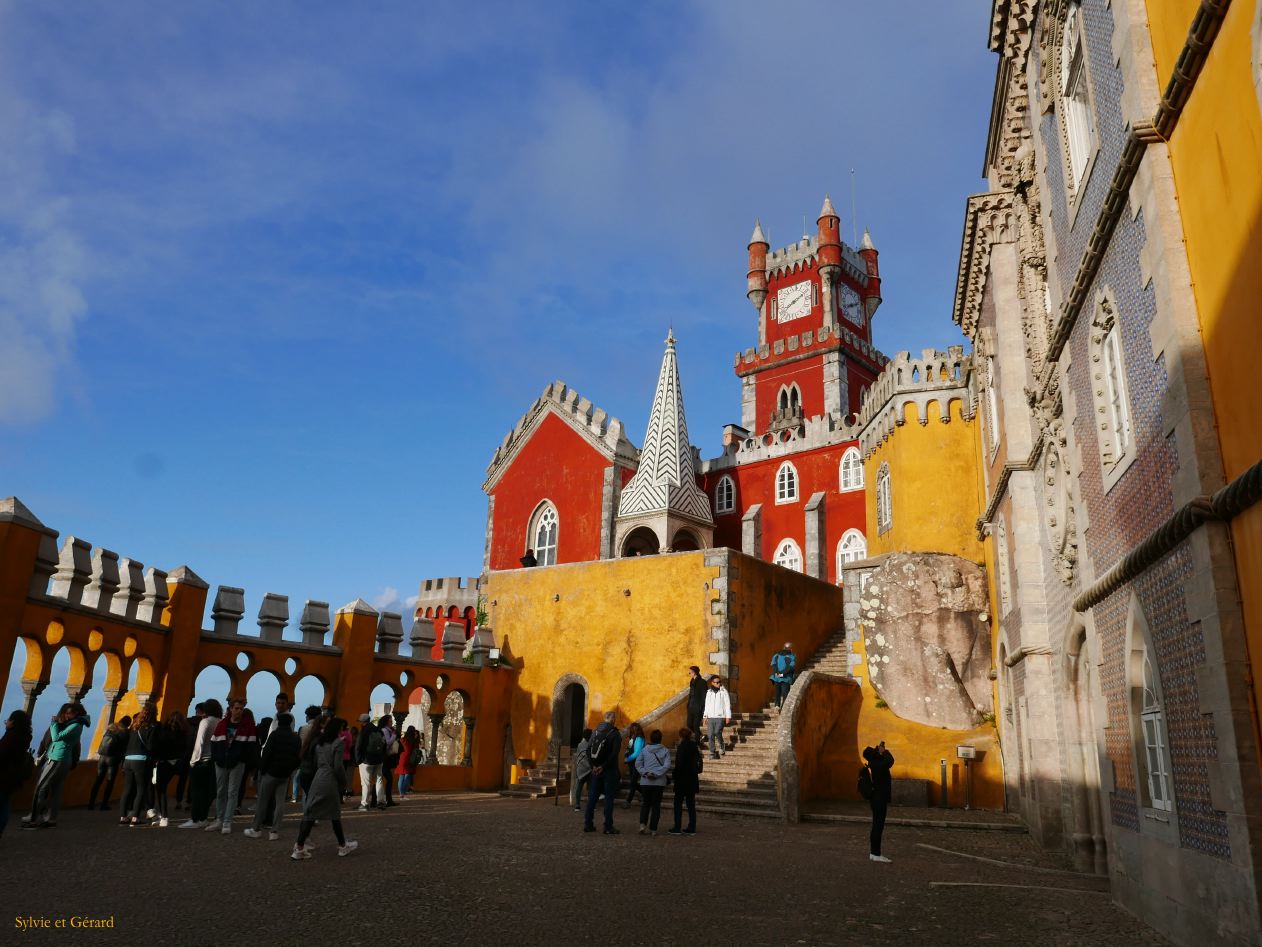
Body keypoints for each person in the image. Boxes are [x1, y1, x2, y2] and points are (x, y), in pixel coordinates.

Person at [291, 716, 358, 859]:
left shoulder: (320, 743)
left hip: (318, 777)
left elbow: (315, 762)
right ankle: (342, 846)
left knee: (311, 813)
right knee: (334, 815)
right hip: (330, 779)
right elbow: (338, 766)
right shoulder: (338, 743)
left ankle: (299, 847)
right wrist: (343, 782)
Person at [24, 702, 89, 830]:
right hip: (62, 759)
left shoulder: (75, 725)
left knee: (40, 788)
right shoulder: (75, 724)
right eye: (65, 712)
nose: (66, 715)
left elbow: (56, 737)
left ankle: (33, 818)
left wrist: (54, 723)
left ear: (77, 713)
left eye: (69, 713)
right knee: (56, 790)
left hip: (57, 759)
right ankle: (51, 819)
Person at [245, 712, 300, 841]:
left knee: (262, 802)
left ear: (278, 723)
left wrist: (263, 770)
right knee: (280, 803)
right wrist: (290, 770)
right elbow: (298, 757)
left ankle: (256, 829)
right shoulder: (295, 738)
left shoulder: (274, 735)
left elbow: (266, 753)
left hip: (271, 773)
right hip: (285, 775)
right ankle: (274, 831)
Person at [207, 700, 258, 835]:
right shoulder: (222, 724)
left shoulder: (248, 726)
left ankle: (227, 821)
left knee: (232, 792)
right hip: (221, 763)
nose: (239, 711)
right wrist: (217, 758)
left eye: (241, 708)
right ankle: (219, 819)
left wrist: (242, 759)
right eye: (236, 708)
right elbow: (214, 742)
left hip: (237, 764)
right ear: (230, 709)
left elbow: (251, 746)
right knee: (220, 791)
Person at [179, 699, 221, 828]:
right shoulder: (220, 722)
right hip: (214, 761)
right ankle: (203, 818)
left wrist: (193, 761)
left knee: (197, 791)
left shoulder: (205, 722)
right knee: (207, 792)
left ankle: (195, 819)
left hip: (201, 761)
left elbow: (200, 742)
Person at [583, 712, 622, 835]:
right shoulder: (615, 734)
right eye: (615, 718)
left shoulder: (595, 731)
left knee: (592, 798)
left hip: (595, 770)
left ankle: (588, 824)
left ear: (604, 719)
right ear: (613, 720)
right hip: (609, 770)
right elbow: (614, 754)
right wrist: (603, 767)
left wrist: (593, 766)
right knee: (609, 798)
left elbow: (588, 750)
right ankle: (608, 827)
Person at [0, 709, 34, 838]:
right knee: (4, 805)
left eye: (8, 720)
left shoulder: (10, 737)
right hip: (14, 778)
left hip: (3, 776)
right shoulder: (25, 736)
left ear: (13, 722)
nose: (6, 722)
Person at [152, 711, 189, 827]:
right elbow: (185, 748)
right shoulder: (184, 733)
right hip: (177, 763)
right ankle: (165, 814)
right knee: (172, 785)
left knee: (161, 789)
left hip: (164, 762)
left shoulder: (164, 731)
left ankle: (163, 816)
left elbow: (158, 747)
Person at [87, 714, 130, 810]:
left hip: (102, 757)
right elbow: (125, 747)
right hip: (113, 759)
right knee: (110, 781)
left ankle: (91, 804)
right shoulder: (124, 732)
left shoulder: (110, 729)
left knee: (98, 780)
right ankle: (104, 804)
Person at [634, 729, 671, 836]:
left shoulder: (644, 750)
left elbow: (638, 764)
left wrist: (646, 773)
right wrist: (656, 774)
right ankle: (653, 829)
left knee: (645, 804)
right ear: (660, 738)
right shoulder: (665, 750)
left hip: (645, 782)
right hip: (659, 782)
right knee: (656, 806)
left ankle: (642, 825)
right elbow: (667, 765)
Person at [863, 741, 895, 863]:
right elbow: (890, 761)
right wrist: (884, 751)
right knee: (878, 826)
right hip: (879, 798)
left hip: (876, 798)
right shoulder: (878, 763)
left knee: (876, 825)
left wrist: (880, 752)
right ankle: (876, 853)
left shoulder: (874, 762)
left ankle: (873, 852)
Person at [667, 727, 702, 836]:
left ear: (681, 736)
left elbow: (679, 764)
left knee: (678, 803)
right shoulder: (695, 746)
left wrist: (674, 776)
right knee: (691, 804)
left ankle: (677, 827)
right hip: (692, 779)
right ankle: (692, 827)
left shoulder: (682, 747)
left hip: (682, 780)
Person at [355, 714, 387, 811]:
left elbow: (358, 746)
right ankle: (381, 802)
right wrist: (382, 756)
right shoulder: (378, 730)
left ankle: (364, 804)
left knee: (366, 783)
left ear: (362, 722)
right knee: (379, 781)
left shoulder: (363, 731)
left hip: (366, 761)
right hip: (379, 760)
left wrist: (358, 760)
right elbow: (384, 744)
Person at [174, 704, 203, 812]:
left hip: (185, 754)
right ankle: (189, 802)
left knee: (182, 778)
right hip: (197, 754)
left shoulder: (186, 722)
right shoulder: (203, 723)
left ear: (196, 710)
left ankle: (178, 801)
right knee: (192, 779)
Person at [292, 705, 321, 802]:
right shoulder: (322, 729)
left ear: (308, 716)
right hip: (318, 763)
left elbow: (299, 745)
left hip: (305, 762)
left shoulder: (303, 728)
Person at [703, 675, 732, 760]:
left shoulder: (724, 692)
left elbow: (727, 704)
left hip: (720, 716)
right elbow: (707, 705)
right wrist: (705, 716)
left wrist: (728, 716)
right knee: (710, 735)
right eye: (716, 682)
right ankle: (712, 752)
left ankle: (722, 745)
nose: (718, 684)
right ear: (712, 683)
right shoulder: (709, 692)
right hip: (711, 717)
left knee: (717, 732)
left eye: (719, 682)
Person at [622, 722, 645, 808]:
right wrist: (626, 756)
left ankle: (628, 801)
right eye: (632, 729)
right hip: (632, 763)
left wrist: (628, 759)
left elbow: (637, 753)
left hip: (637, 763)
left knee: (633, 782)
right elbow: (629, 749)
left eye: (634, 729)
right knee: (633, 782)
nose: (633, 730)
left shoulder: (639, 739)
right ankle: (645, 793)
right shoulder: (632, 738)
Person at [379, 715, 400, 807]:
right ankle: (386, 800)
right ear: (386, 722)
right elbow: (388, 742)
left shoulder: (388, 730)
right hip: (385, 757)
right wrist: (394, 735)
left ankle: (387, 800)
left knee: (385, 779)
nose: (391, 722)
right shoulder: (385, 730)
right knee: (385, 779)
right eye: (390, 721)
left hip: (386, 757)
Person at [570, 728, 592, 811]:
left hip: (582, 768)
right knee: (588, 787)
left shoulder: (580, 744)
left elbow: (580, 756)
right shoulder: (588, 744)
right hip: (588, 768)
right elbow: (588, 756)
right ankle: (587, 805)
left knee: (581, 787)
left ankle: (578, 805)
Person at [396, 725, 421, 799]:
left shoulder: (403, 740)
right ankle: (403, 794)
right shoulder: (414, 741)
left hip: (402, 759)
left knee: (401, 776)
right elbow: (416, 751)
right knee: (408, 776)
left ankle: (401, 794)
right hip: (410, 760)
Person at [769, 642, 797, 710]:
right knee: (785, 694)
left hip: (777, 677)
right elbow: (791, 667)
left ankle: (777, 706)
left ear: (784, 647)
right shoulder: (792, 656)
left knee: (777, 692)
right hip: (786, 678)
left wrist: (777, 673)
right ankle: (782, 708)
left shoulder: (776, 655)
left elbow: (773, 665)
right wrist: (782, 674)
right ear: (790, 649)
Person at [686, 666, 707, 738]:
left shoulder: (702, 682)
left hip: (698, 707)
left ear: (694, 673)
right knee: (689, 724)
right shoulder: (692, 681)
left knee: (696, 725)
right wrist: (688, 705)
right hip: (691, 707)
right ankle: (701, 735)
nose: (689, 674)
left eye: (690, 672)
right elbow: (691, 694)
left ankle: (698, 741)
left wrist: (702, 708)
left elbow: (704, 696)